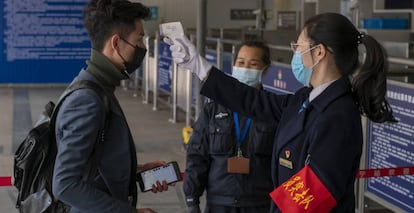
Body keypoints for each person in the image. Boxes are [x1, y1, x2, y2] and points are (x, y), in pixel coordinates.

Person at [168, 13, 396, 212]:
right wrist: (199, 67)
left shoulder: (338, 116)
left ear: (319, 53)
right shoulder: (306, 98)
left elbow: (310, 195)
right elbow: (254, 101)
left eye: (298, 47)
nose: (295, 54)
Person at [52, 1, 171, 213]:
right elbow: (65, 184)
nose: (143, 47)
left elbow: (93, 164)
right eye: (139, 39)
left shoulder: (98, 86)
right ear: (116, 43)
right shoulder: (87, 100)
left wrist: (136, 171)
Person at [184, 41, 277, 213]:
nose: (245, 67)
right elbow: (197, 154)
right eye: (241, 62)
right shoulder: (213, 108)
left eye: (253, 63)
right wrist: (192, 198)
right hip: (220, 203)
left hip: (260, 204)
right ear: (233, 65)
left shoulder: (272, 110)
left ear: (265, 69)